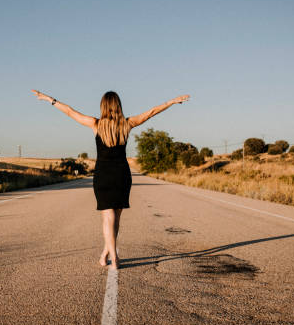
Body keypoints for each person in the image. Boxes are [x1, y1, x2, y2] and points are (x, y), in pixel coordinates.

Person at [31, 89, 190, 270]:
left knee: (108, 218)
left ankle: (114, 257)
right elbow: (152, 112)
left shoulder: (95, 124)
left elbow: (69, 111)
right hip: (122, 174)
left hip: (103, 174)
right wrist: (171, 102)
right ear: (118, 105)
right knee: (116, 218)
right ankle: (106, 254)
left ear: (103, 106)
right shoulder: (127, 124)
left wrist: (50, 100)